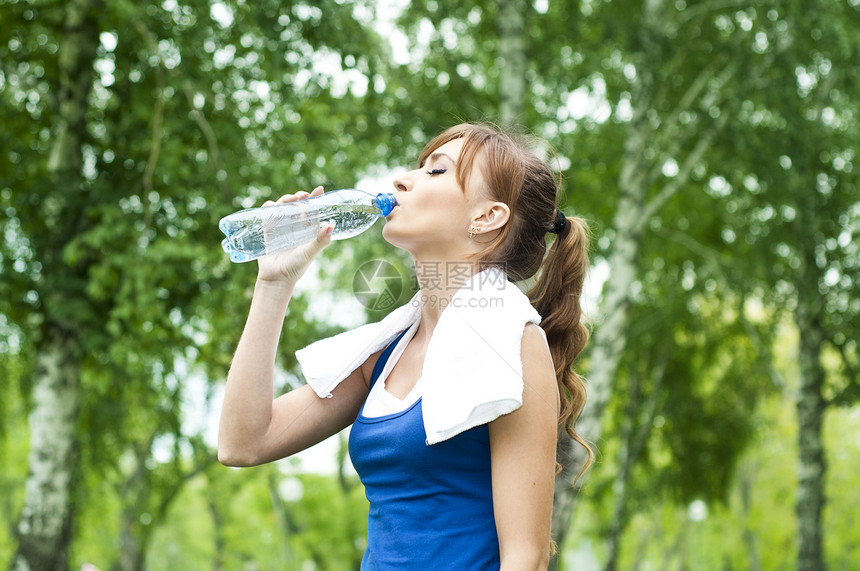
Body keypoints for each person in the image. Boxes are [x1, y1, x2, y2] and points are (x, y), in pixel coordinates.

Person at [218, 122, 593, 570]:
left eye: (436, 171)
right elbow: (243, 443)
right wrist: (274, 283)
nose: (401, 180)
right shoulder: (385, 354)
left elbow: (525, 559)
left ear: (487, 217)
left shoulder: (513, 343)